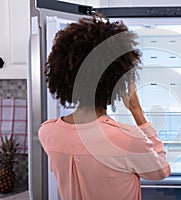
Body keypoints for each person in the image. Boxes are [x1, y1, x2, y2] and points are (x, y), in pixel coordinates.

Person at [38, 13, 171, 200]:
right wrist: (136, 110)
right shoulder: (127, 138)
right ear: (117, 79)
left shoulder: (47, 132)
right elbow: (161, 171)